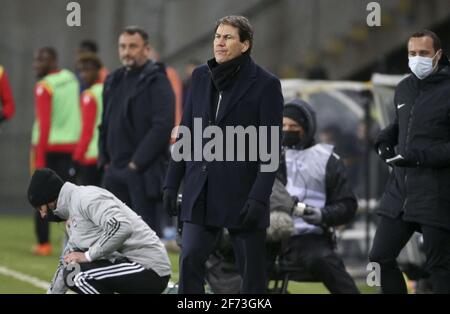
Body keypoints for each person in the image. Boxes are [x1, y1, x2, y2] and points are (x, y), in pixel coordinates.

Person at [163, 15, 284, 294]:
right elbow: (186, 132)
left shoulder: (266, 84)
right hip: (200, 190)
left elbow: (270, 149)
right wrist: (172, 183)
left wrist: (258, 197)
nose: (220, 42)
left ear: (245, 45)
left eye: (228, 37)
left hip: (243, 195)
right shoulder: (201, 76)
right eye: (217, 36)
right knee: (190, 259)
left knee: (252, 277)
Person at [370, 30, 450, 293]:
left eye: (424, 53)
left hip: (436, 192)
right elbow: (398, 124)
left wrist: (417, 158)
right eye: (412, 53)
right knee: (379, 258)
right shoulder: (404, 87)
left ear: (438, 54)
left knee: (440, 268)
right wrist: (383, 140)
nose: (417, 58)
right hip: (400, 190)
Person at [27, 168, 171, 294]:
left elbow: (122, 226)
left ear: (49, 198)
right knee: (71, 271)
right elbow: (66, 262)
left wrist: (88, 256)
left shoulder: (86, 198)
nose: (43, 215)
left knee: (76, 274)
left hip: (150, 269)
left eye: (41, 208)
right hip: (132, 265)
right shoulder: (74, 212)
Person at [270, 99, 359, 294]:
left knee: (323, 260)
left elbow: (348, 205)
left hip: (309, 237)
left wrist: (323, 215)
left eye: (293, 126)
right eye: (283, 125)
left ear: (307, 128)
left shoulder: (327, 159)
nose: (287, 130)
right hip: (270, 235)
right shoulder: (270, 156)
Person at [98, 26, 175, 237]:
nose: (127, 52)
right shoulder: (113, 80)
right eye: (123, 46)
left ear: (146, 49)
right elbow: (105, 122)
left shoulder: (157, 80)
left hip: (142, 173)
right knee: (111, 237)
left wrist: (136, 164)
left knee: (143, 240)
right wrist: (104, 159)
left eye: (133, 46)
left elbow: (162, 126)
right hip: (113, 171)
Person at [31, 47, 81, 256]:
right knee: (72, 198)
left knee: (39, 196)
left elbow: (44, 123)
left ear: (52, 61)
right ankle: (77, 241)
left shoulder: (44, 86)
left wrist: (39, 158)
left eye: (41, 60)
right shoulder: (71, 78)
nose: (36, 64)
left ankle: (44, 244)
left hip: (49, 148)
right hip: (72, 147)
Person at [72, 53, 104, 186]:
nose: (83, 75)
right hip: (106, 156)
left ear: (97, 71)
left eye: (87, 70)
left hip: (90, 156)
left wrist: (76, 157)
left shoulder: (89, 95)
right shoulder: (107, 89)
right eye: (81, 71)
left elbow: (87, 130)